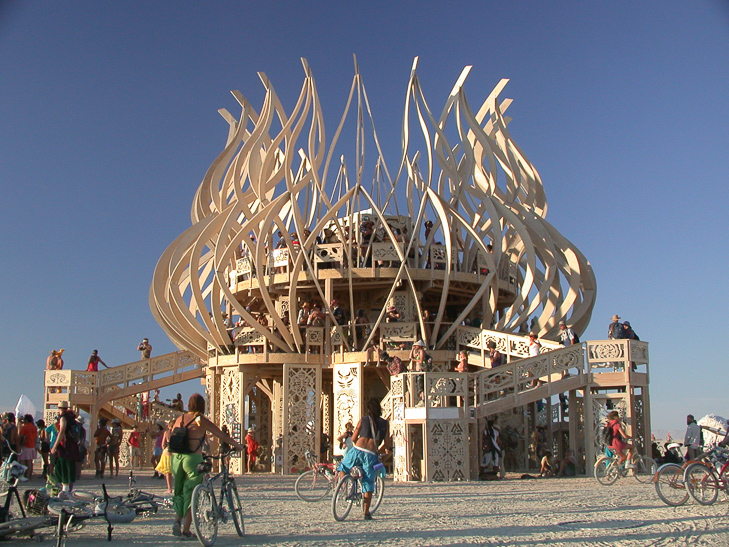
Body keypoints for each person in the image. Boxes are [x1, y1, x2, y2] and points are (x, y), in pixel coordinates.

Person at [169, 393, 244, 539]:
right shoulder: (200, 419)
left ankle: (177, 521)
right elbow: (221, 435)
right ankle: (186, 531)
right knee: (191, 493)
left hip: (176, 458)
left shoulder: (179, 419)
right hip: (192, 458)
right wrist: (237, 446)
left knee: (179, 491)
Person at [337, 398, 389, 520]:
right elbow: (386, 444)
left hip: (357, 450)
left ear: (368, 409)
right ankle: (366, 513)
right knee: (368, 483)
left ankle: (345, 486)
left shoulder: (363, 420)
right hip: (371, 454)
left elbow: (354, 438)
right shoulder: (385, 423)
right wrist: (377, 452)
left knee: (343, 467)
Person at [51, 401, 81, 497]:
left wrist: (55, 446)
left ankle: (65, 491)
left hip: (65, 446)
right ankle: (67, 489)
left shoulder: (64, 418)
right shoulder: (71, 418)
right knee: (68, 467)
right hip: (71, 446)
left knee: (63, 467)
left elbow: (62, 432)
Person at [155, 418, 175, 493]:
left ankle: (169, 488)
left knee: (168, 472)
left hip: (167, 451)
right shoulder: (177, 433)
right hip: (176, 452)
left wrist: (164, 448)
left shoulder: (167, 433)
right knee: (177, 472)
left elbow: (163, 444)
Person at [18, 414, 37, 479]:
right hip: (32, 445)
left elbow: (21, 436)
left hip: (26, 445)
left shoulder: (25, 427)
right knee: (30, 462)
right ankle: (29, 476)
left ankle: (23, 476)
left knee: (22, 461)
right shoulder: (34, 427)